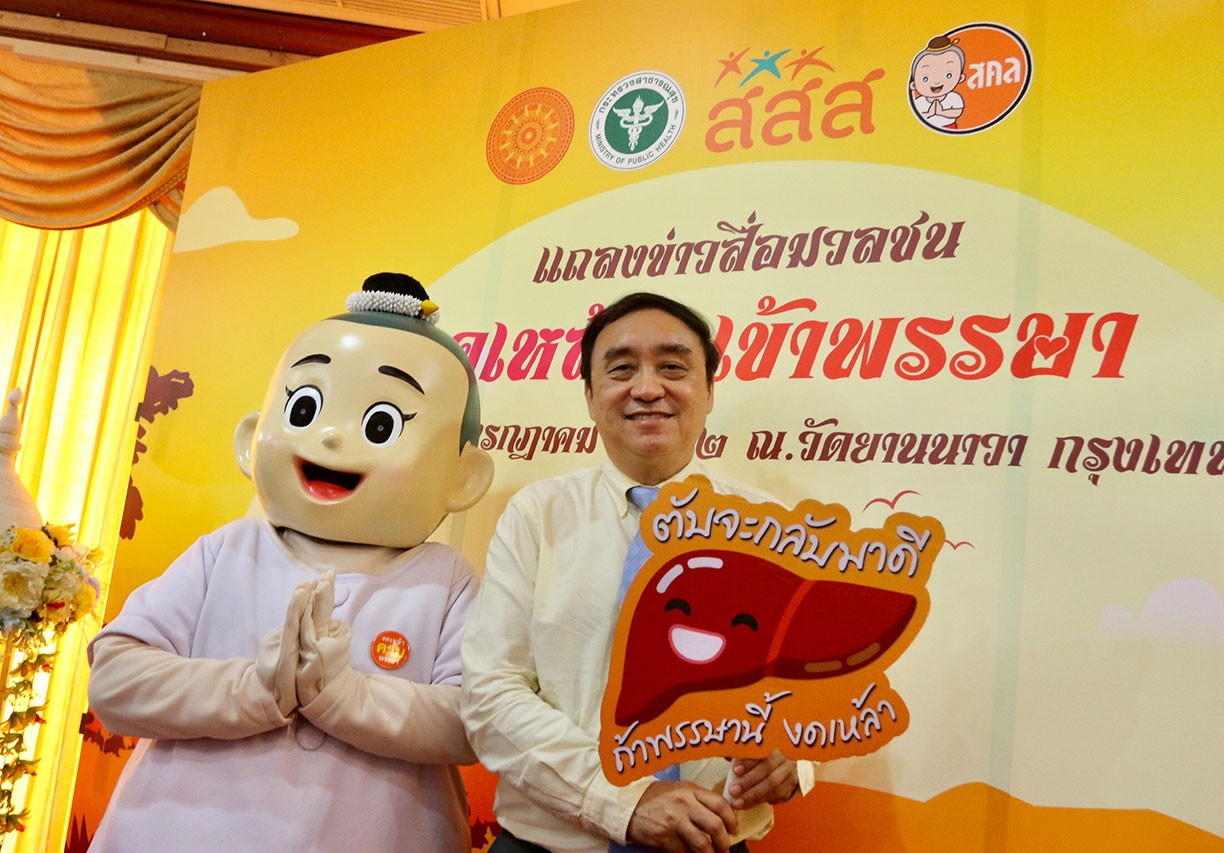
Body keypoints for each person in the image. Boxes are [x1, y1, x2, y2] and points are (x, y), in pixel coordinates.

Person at [86, 273, 494, 852]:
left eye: (380, 425)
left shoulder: (445, 580)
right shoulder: (227, 550)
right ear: (251, 438)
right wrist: (253, 687)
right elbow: (116, 680)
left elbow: (474, 723)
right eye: (305, 408)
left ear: (464, 477)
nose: (331, 438)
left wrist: (344, 695)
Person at [462, 292, 813, 853]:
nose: (647, 388)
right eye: (622, 369)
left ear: (709, 390)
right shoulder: (537, 516)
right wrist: (624, 801)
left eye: (672, 367)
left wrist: (794, 760)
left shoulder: (771, 529)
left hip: (714, 842)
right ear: (590, 395)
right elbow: (491, 692)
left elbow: (806, 690)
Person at [911, 36, 966, 129]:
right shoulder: (919, 101)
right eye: (925, 78)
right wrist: (929, 113)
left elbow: (957, 112)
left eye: (948, 75)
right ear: (914, 85)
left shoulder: (953, 97)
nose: (937, 82)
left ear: (960, 78)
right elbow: (917, 117)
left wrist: (941, 112)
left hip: (950, 127)